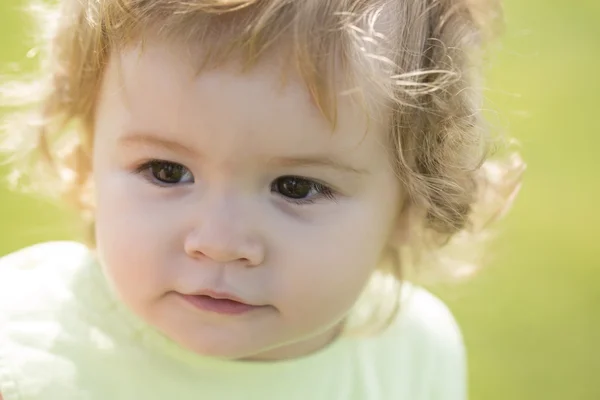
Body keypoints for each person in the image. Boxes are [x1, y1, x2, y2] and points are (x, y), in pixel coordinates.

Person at [0, 0, 524, 398]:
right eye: (166, 171)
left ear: (411, 206)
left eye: (296, 187)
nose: (220, 243)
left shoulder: (412, 354)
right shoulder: (21, 348)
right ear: (85, 162)